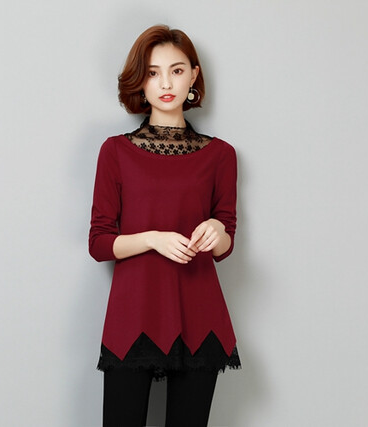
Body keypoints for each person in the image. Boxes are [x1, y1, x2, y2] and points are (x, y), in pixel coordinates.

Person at [88, 24, 240, 427]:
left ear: (193, 76)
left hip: (200, 316)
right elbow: (99, 242)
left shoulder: (221, 155)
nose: (166, 83)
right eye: (153, 73)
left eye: (176, 70)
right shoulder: (115, 152)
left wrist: (217, 231)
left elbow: (226, 242)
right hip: (134, 313)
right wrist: (153, 239)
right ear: (141, 81)